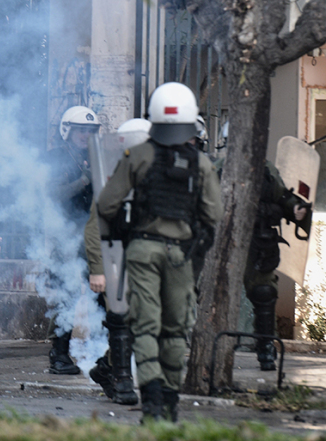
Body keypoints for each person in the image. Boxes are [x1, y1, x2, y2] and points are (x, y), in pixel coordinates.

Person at [97, 83, 223, 421]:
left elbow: (106, 204)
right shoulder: (202, 164)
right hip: (182, 255)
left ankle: (151, 398)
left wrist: (117, 234)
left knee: (145, 325)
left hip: (142, 251)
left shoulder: (138, 155)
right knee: (175, 328)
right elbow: (213, 214)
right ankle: (169, 401)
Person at [214, 123, 309, 371]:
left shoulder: (265, 169)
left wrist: (295, 208)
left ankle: (265, 347)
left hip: (259, 240)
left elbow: (281, 195)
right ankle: (210, 347)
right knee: (213, 294)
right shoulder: (218, 169)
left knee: (264, 292)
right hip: (223, 241)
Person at [84, 117, 151, 406]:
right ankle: (123, 381)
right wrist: (98, 270)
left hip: (146, 261)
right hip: (115, 261)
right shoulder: (111, 178)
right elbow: (94, 228)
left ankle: (105, 368)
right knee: (121, 319)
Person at [46, 105, 101, 375]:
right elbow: (53, 194)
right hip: (65, 232)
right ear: (67, 130)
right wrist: (83, 181)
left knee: (101, 290)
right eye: (80, 130)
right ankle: (59, 353)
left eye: (90, 130)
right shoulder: (57, 158)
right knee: (65, 293)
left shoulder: (97, 156)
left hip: (92, 232)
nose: (85, 135)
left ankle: (105, 353)